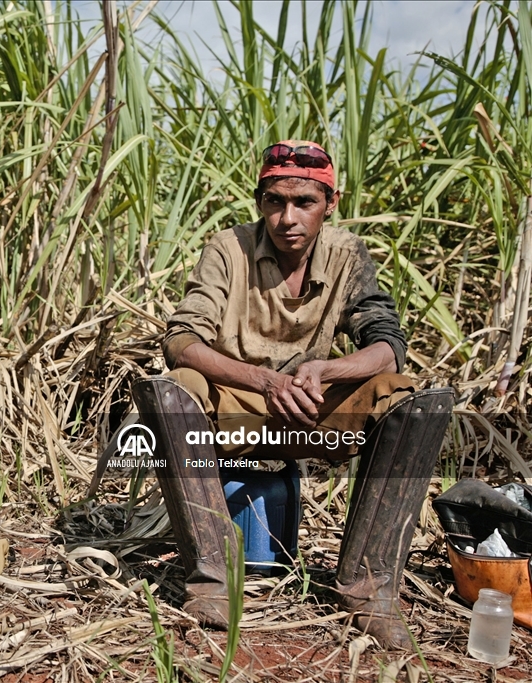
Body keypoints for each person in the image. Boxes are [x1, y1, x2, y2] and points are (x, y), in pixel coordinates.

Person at [131, 141, 452, 650]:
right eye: (274, 201)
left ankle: (368, 589)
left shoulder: (347, 254)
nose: (287, 218)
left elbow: (388, 346)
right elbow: (181, 340)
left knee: (411, 401)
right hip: (237, 403)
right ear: (259, 202)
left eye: (304, 202)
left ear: (331, 202)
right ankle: (212, 583)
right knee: (173, 390)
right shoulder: (228, 248)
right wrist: (263, 381)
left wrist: (326, 370)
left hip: (311, 405)